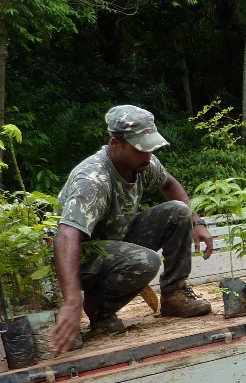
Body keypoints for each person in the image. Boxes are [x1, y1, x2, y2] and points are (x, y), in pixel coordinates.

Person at [48, 105, 213, 354]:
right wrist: (72, 301)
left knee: (179, 211)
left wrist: (197, 222)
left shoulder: (143, 162)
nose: (147, 155)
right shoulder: (93, 180)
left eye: (150, 147)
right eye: (139, 148)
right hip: (77, 258)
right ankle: (99, 310)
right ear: (116, 143)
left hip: (116, 241)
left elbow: (169, 183)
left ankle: (174, 295)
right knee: (145, 261)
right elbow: (66, 236)